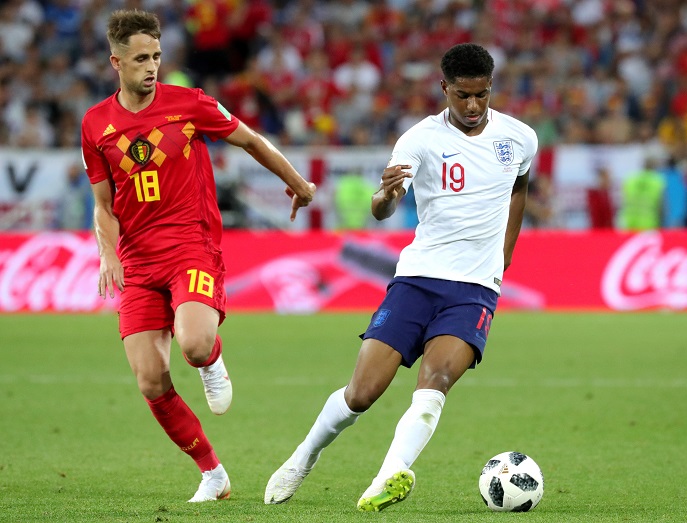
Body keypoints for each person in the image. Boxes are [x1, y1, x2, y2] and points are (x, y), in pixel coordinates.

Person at [264, 42, 537, 512]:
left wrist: (505, 252)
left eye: (482, 95)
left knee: (436, 382)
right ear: (444, 88)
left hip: (473, 291)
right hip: (417, 279)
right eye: (462, 96)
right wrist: (387, 196)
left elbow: (519, 186)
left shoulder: (520, 138)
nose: (472, 106)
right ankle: (304, 456)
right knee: (362, 393)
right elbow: (380, 207)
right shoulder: (420, 139)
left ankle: (386, 477)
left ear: (491, 89)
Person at [81, 9, 315, 503]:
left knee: (192, 344)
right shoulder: (95, 124)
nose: (152, 66)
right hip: (138, 260)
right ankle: (213, 473)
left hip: (191, 244)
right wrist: (107, 253)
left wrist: (296, 183)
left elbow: (250, 139)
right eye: (141, 58)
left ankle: (211, 360)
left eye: (157, 56)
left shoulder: (189, 105)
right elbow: (103, 206)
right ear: (116, 62)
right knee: (149, 380)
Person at [619, 157, 665, 231]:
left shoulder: (630, 179)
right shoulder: (657, 181)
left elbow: (623, 202)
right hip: (649, 224)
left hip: (630, 222)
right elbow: (661, 206)